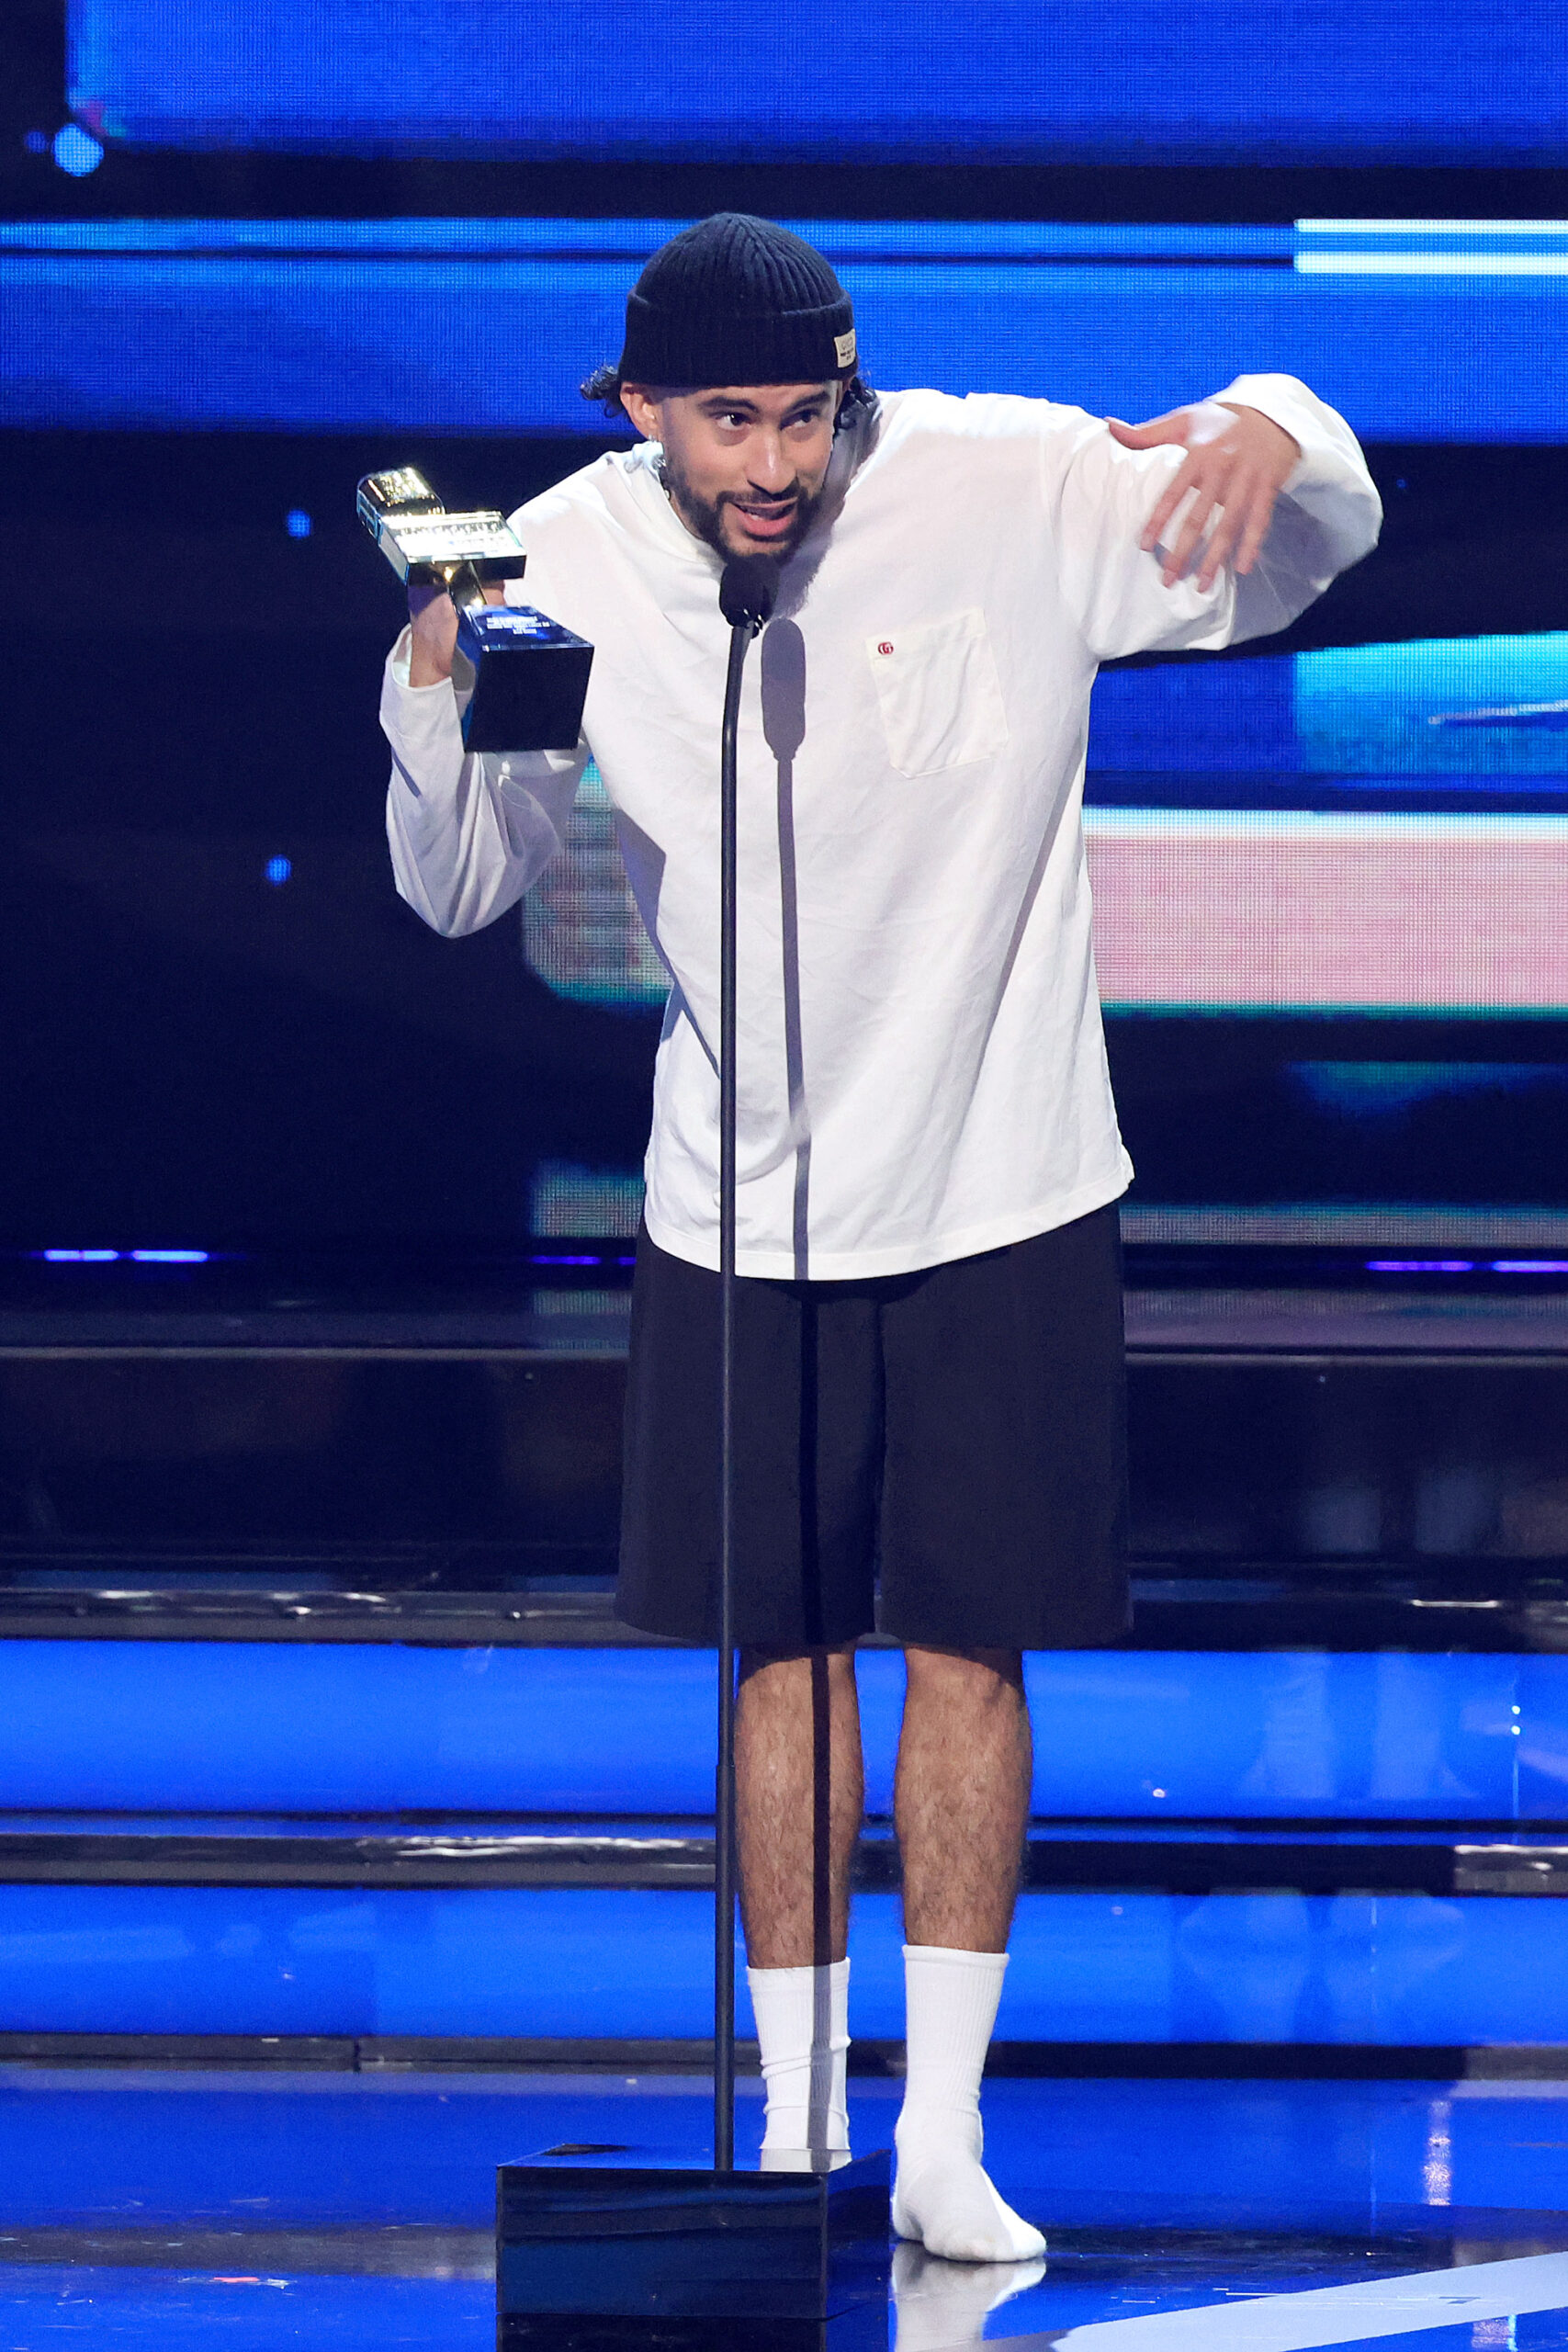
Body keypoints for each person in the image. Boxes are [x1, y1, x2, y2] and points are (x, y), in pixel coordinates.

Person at [379, 213, 1381, 2263]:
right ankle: (794, 2118)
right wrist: (428, 686)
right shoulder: (556, 558)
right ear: (638, 410)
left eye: (803, 416)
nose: (772, 464)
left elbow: (1284, 541)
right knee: (779, 1658)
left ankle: (940, 2131)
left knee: (970, 1650)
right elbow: (463, 885)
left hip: (1004, 1174)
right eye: (726, 422)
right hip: (739, 1203)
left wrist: (1280, 421)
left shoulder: (1002, 479)